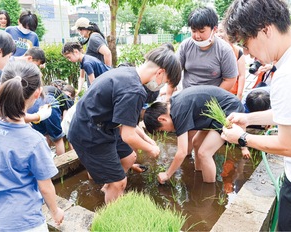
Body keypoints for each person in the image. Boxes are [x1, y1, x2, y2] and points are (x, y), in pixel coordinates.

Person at [222, 0, 291, 230]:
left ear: (265, 29)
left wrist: (242, 138)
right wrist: (249, 119)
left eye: (246, 44)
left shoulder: (289, 73)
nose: (248, 54)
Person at [68, 45, 182, 203]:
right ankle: (113, 191)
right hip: (89, 132)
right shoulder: (134, 91)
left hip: (102, 125)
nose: (161, 86)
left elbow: (127, 123)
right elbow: (128, 136)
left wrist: (148, 140)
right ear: (160, 73)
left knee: (129, 158)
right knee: (120, 182)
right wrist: (151, 149)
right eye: (166, 82)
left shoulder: (127, 73)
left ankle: (109, 185)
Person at [0, 60, 64, 231]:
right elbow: (45, 187)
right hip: (25, 222)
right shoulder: (34, 140)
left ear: (0, 86)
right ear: (37, 94)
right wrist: (55, 210)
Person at [143, 85, 245, 183]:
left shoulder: (178, 113)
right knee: (196, 142)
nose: (167, 132)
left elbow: (182, 152)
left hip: (229, 110)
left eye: (162, 130)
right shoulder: (174, 106)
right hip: (216, 113)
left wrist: (167, 174)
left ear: (162, 119)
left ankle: (209, 190)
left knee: (205, 153)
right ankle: (199, 173)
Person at [165, 7, 238, 101]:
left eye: (202, 31)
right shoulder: (185, 46)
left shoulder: (224, 50)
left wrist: (213, 100)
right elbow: (174, 72)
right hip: (187, 98)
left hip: (212, 100)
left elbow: (230, 79)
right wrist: (168, 96)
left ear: (214, 29)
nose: (197, 36)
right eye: (194, 31)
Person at [217, 21, 246, 100]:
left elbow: (241, 75)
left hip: (232, 94)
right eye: (217, 32)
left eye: (221, 31)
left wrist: (239, 95)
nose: (218, 34)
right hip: (216, 94)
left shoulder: (237, 52)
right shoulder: (214, 51)